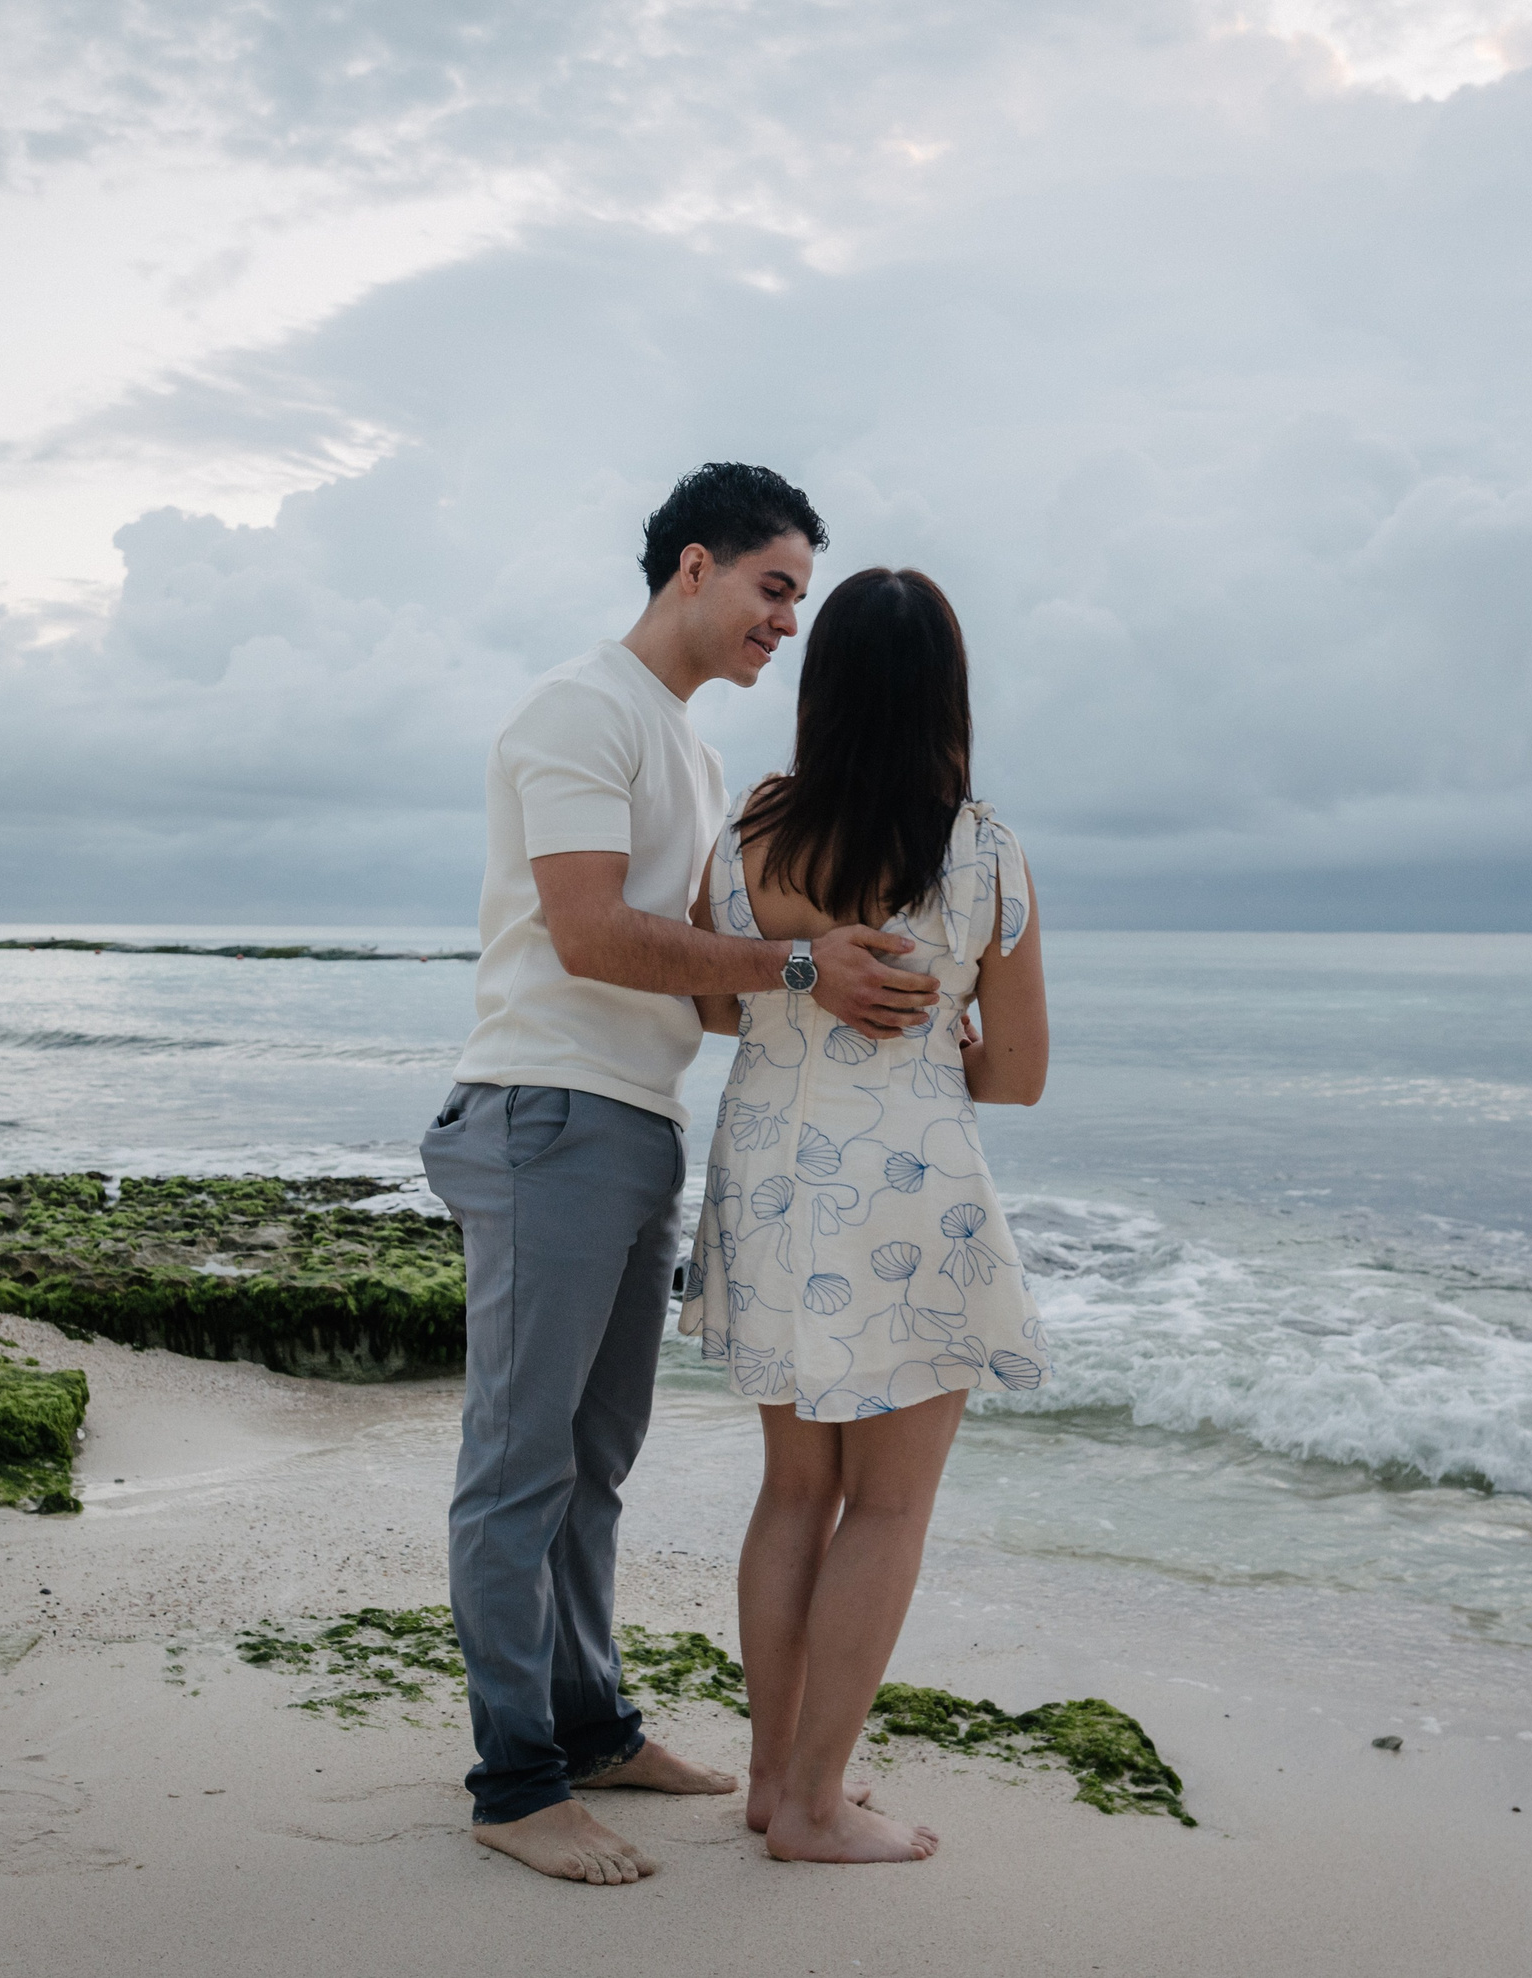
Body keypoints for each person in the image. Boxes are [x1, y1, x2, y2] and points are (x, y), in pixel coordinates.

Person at [421, 464, 945, 1887]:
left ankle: (589, 1726)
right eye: (775, 587)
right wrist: (798, 963)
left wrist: (879, 1001)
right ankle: (515, 1780)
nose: (787, 621)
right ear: (695, 566)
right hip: (545, 1109)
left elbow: (707, 991)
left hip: (635, 1118)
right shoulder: (582, 712)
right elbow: (589, 935)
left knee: (596, 1461)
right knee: (518, 1465)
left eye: (800, 600)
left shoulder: (695, 753)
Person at [683, 565, 1050, 1864]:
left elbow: (717, 1007)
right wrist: (937, 1026)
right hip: (911, 1198)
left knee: (794, 1489)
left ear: (822, 687)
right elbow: (1018, 1074)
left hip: (774, 1183)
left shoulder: (745, 843)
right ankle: (821, 1812)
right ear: (947, 692)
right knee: (886, 1508)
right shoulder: (982, 850)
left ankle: (770, 1779)